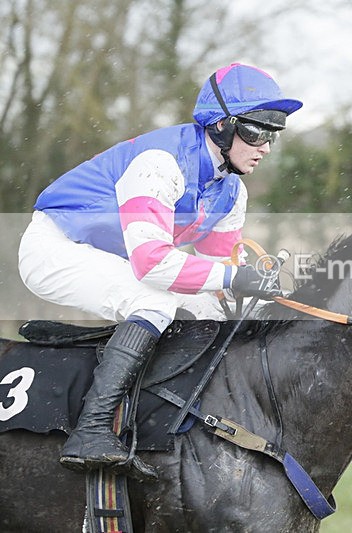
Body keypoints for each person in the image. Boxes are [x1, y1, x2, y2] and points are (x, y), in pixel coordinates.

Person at [17, 63, 302, 480]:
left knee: (211, 312)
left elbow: (218, 274)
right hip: (55, 247)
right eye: (257, 132)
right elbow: (151, 263)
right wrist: (231, 277)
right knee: (152, 300)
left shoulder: (231, 190)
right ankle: (91, 430)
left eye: (272, 135)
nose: (266, 148)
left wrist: (256, 287)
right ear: (221, 125)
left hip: (116, 260)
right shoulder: (160, 163)